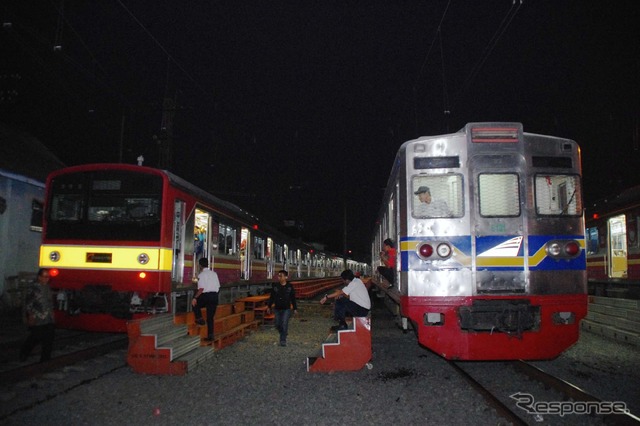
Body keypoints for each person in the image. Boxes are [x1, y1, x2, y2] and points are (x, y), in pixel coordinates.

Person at [20, 268, 55, 362]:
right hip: (38, 316)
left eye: (48, 277)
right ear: (39, 277)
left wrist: (52, 313)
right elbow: (28, 303)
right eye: (44, 276)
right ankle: (24, 353)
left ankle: (45, 358)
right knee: (35, 337)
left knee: (49, 338)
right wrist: (30, 315)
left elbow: (50, 302)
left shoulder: (47, 287)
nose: (46, 279)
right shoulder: (33, 288)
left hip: (48, 317)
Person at [191, 257, 220, 342]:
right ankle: (210, 336)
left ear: (200, 266)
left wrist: (195, 298)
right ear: (207, 264)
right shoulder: (214, 274)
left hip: (206, 296)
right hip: (214, 296)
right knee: (210, 318)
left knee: (195, 304)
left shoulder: (201, 275)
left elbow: (201, 289)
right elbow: (218, 287)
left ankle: (199, 318)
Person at [266, 270, 297, 346]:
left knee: (284, 323)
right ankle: (283, 332)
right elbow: (272, 297)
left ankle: (283, 340)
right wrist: (269, 306)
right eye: (278, 276)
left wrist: (295, 308)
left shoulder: (290, 287)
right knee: (277, 324)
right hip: (277, 308)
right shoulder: (275, 286)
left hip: (286, 308)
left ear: (286, 277)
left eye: (281, 276)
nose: (279, 277)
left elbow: (293, 298)